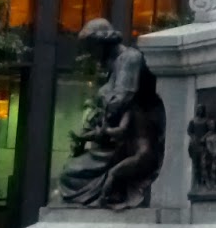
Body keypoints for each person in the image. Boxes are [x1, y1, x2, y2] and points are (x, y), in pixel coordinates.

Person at [57, 20, 166, 209]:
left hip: (129, 141)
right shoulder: (116, 63)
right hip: (115, 140)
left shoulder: (130, 58)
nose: (91, 54)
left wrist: (99, 122)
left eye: (91, 48)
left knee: (71, 174)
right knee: (70, 172)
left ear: (102, 43)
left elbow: (122, 97)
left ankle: (111, 193)